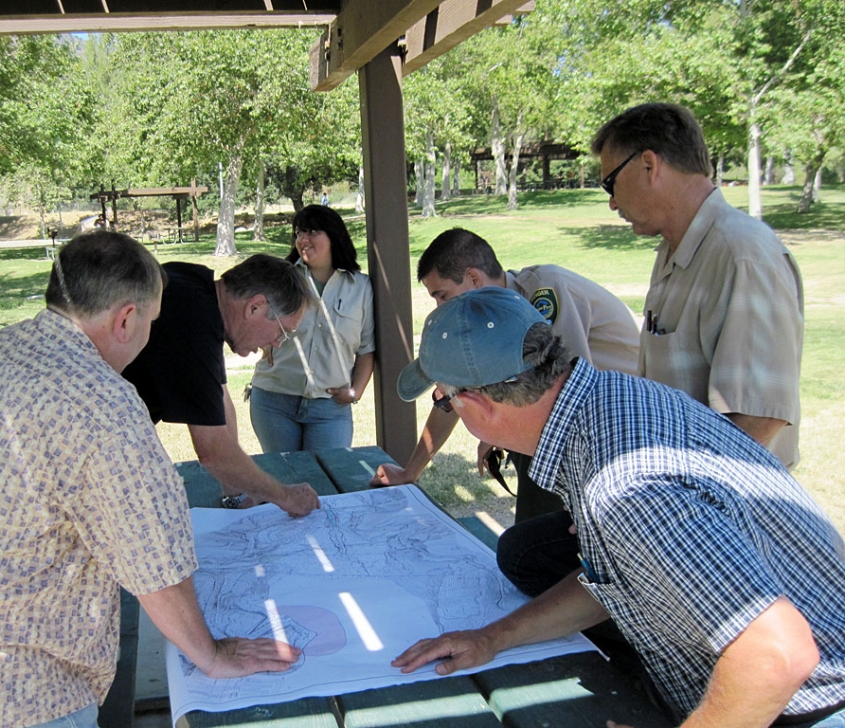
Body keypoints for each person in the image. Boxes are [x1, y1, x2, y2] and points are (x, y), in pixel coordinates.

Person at [0, 232, 300, 728]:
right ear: (126, 318)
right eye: (151, 323)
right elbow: (155, 564)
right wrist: (211, 656)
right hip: (12, 695)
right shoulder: (104, 407)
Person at [391, 287, 845, 728]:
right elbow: (617, 580)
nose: (449, 407)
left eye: (444, 399)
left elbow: (776, 654)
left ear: (473, 403)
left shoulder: (623, 484)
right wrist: (495, 636)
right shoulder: (608, 402)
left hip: (801, 706)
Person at [369, 228, 639, 519]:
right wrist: (411, 472)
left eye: (442, 295)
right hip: (570, 429)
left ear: (473, 278)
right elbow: (456, 396)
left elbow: (563, 395)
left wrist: (497, 433)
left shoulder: (544, 292)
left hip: (620, 425)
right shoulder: (483, 319)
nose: (439, 307)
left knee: (535, 543)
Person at [592, 102, 804, 468]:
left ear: (649, 165)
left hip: (726, 507)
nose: (612, 202)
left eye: (610, 182)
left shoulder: (741, 254)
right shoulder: (676, 249)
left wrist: (672, 499)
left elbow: (759, 419)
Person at [122, 253, 321, 516]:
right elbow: (212, 449)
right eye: (283, 332)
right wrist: (285, 497)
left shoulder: (198, 289)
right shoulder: (193, 320)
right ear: (255, 307)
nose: (276, 343)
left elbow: (221, 397)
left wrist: (236, 492)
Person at [249, 205, 374, 452]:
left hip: (330, 408)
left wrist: (354, 392)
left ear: (333, 236)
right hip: (274, 402)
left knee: (326, 482)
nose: (302, 240)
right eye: (298, 233)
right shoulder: (281, 279)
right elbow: (251, 321)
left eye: (311, 232)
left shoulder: (360, 287)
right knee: (285, 482)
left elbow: (366, 348)